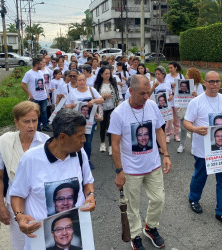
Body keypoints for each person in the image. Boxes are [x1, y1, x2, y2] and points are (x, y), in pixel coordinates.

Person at [9, 109, 96, 249]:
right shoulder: (30, 160)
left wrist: (90, 195)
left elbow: (87, 182)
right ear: (62, 137)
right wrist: (19, 216)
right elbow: (17, 195)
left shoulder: (80, 154)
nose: (84, 140)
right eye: (80, 136)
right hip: (40, 242)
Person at [109, 75, 171, 250]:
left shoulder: (151, 106)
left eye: (148, 93)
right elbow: (114, 144)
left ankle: (150, 227)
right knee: (132, 206)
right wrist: (119, 171)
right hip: (130, 170)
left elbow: (159, 129)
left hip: (153, 165)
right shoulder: (118, 113)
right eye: (142, 93)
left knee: (159, 199)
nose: (146, 97)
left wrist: (165, 154)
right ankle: (135, 235)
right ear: (130, 91)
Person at [183, 71, 222, 228]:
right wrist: (195, 129)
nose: (216, 84)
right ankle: (193, 198)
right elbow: (186, 122)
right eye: (212, 81)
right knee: (200, 176)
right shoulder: (196, 102)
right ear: (205, 83)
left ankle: (221, 211)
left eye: (218, 81)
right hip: (203, 149)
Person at [0, 101, 49, 250]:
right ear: (16, 122)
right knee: (19, 245)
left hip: (41, 206)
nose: (31, 125)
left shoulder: (46, 143)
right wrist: (1, 207)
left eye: (34, 120)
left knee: (42, 244)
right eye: (26, 121)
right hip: (15, 208)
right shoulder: (6, 142)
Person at [66, 74, 104, 169]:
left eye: (83, 80)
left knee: (87, 142)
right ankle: (77, 160)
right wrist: (71, 106)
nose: (81, 82)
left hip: (89, 122)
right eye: (79, 80)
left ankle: (87, 160)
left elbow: (102, 99)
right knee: (77, 141)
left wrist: (93, 101)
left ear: (86, 81)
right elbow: (66, 105)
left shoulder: (91, 90)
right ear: (77, 81)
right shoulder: (72, 92)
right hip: (76, 122)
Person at [177, 67, 204, 153]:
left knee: (193, 129)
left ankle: (193, 146)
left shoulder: (199, 86)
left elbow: (203, 98)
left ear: (193, 76)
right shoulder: (182, 84)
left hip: (195, 111)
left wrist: (196, 95)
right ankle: (182, 144)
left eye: (188, 74)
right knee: (183, 128)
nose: (186, 75)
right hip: (184, 108)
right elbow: (177, 96)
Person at [94, 66, 120, 155]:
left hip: (111, 107)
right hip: (101, 108)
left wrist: (117, 105)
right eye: (106, 74)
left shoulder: (112, 82)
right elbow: (95, 97)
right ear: (101, 74)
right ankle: (102, 143)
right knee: (102, 125)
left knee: (110, 126)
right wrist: (103, 96)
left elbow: (116, 94)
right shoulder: (97, 85)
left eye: (109, 73)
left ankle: (110, 146)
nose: (108, 75)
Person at [20, 58, 51, 131]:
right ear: (37, 65)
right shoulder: (29, 73)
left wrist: (47, 94)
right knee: (35, 113)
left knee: (44, 112)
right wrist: (29, 94)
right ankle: (36, 127)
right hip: (35, 98)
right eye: (40, 64)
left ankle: (45, 126)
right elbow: (22, 84)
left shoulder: (40, 72)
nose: (42, 65)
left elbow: (44, 84)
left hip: (43, 97)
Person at [165, 62, 185, 143]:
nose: (170, 69)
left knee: (177, 118)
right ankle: (168, 135)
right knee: (169, 119)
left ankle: (176, 134)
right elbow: (165, 87)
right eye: (169, 68)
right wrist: (171, 86)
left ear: (175, 67)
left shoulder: (180, 76)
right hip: (169, 100)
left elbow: (184, 87)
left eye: (171, 68)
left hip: (178, 100)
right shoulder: (166, 76)